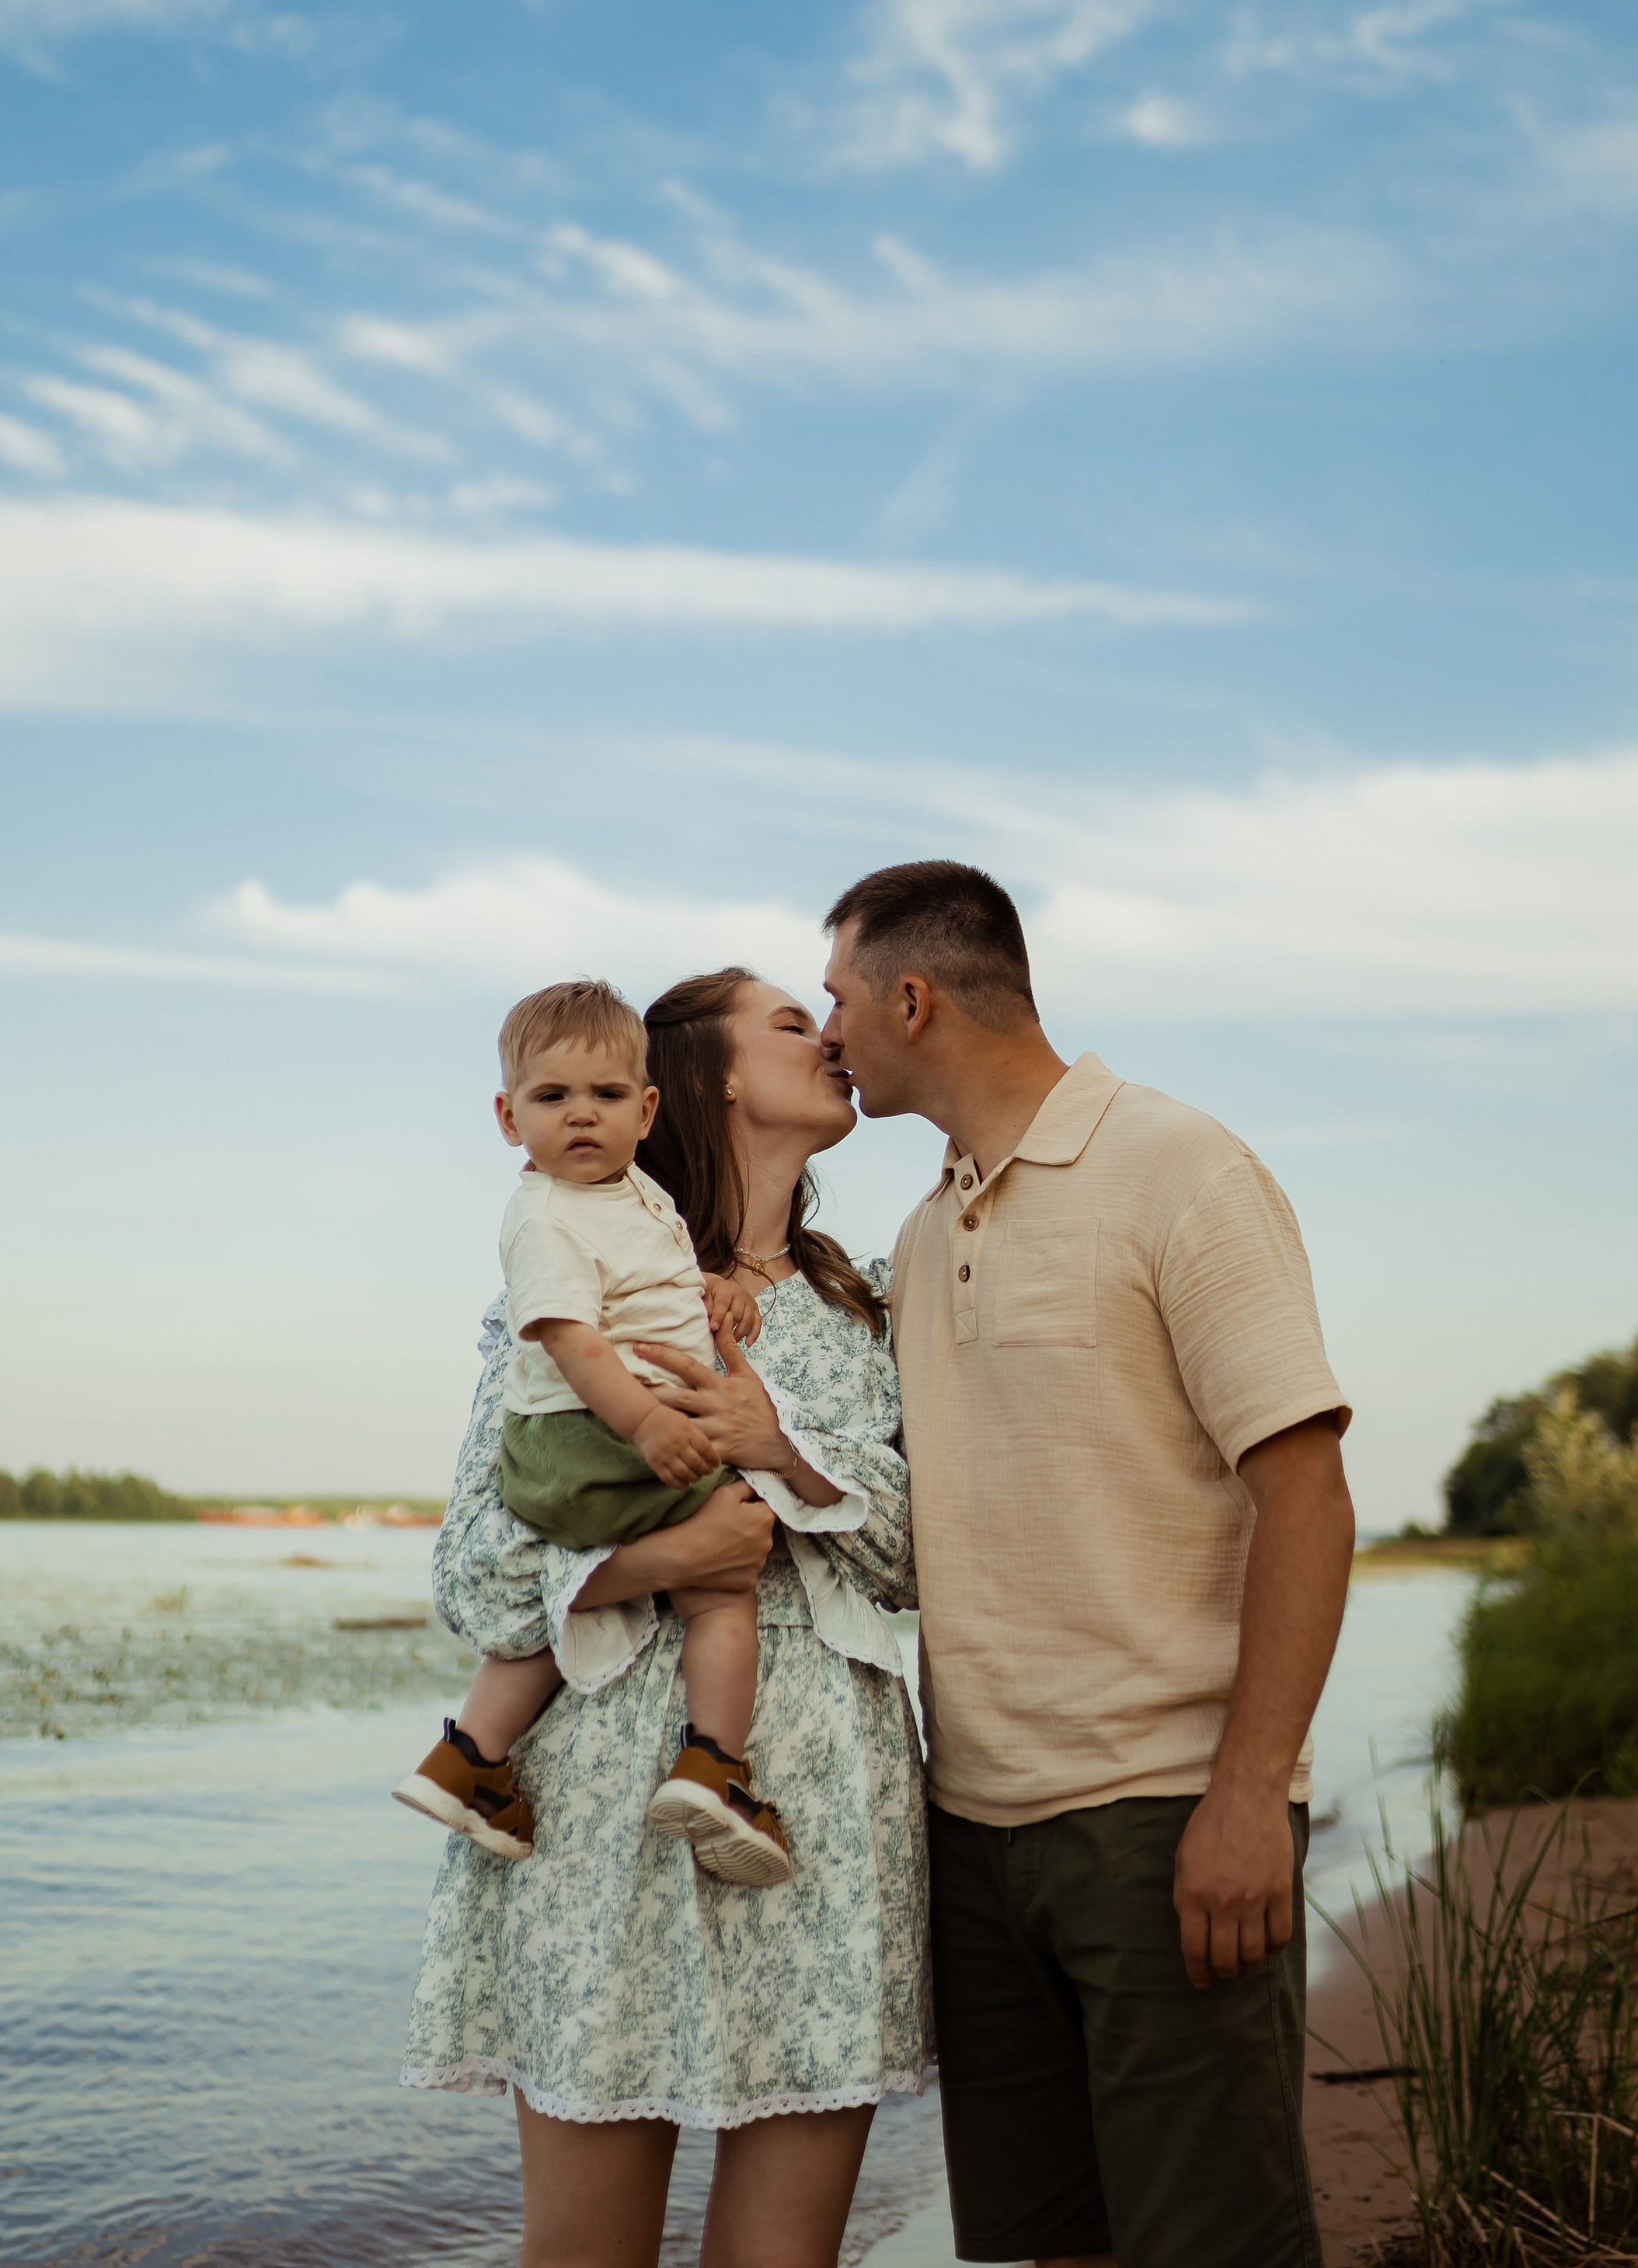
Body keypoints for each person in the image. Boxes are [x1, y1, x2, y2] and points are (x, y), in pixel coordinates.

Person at [821, 860, 1355, 2268]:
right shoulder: (923, 1231)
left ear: (913, 999)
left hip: (1163, 1818)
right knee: (1053, 2242)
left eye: (839, 999)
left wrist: (1249, 1794)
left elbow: (1304, 1491)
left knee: (1210, 2241)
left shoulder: (1182, 1167)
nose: (829, 1033)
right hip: (975, 1830)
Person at [403, 968, 932, 2268]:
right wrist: (680, 1552)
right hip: (603, 1815)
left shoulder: (876, 1304)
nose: (839, 1040)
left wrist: (787, 1451)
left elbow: (925, 1558)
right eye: (796, 1023)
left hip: (822, 1822)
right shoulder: (574, 1291)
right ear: (710, 1079)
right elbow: (473, 1574)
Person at [394, 976, 793, 1884]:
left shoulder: (627, 1194)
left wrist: (712, 1291)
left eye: (606, 1096)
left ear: (647, 1109)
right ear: (507, 1116)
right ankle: (714, 1765)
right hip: (590, 1433)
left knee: (567, 1598)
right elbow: (573, 1340)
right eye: (552, 1097)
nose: (582, 1116)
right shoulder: (543, 1214)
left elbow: (645, 1286)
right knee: (721, 1586)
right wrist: (650, 1423)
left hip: (590, 1439)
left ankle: (470, 1756)